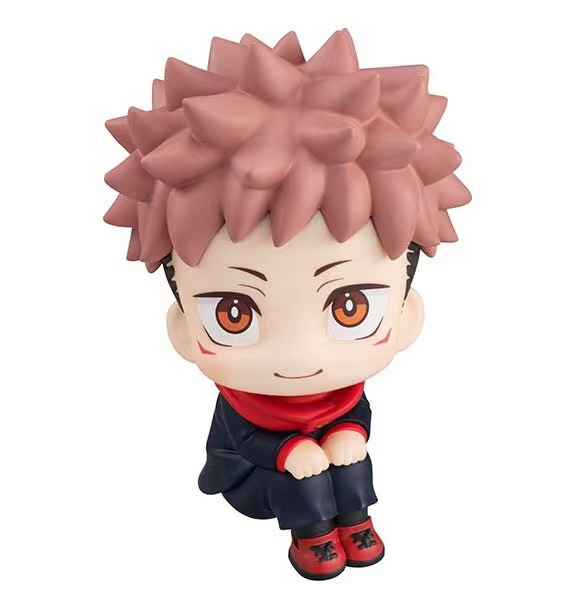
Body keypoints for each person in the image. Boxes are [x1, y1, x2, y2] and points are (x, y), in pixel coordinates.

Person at [104, 29, 470, 580]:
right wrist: (289, 453)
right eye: (234, 314)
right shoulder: (244, 403)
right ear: (182, 329)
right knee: (305, 471)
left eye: (350, 307)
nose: (299, 355)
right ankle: (312, 536)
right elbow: (244, 440)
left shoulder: (343, 389)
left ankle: (357, 519)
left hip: (324, 461)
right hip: (255, 479)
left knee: (346, 454)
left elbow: (355, 412)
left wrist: (348, 434)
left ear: (406, 315)